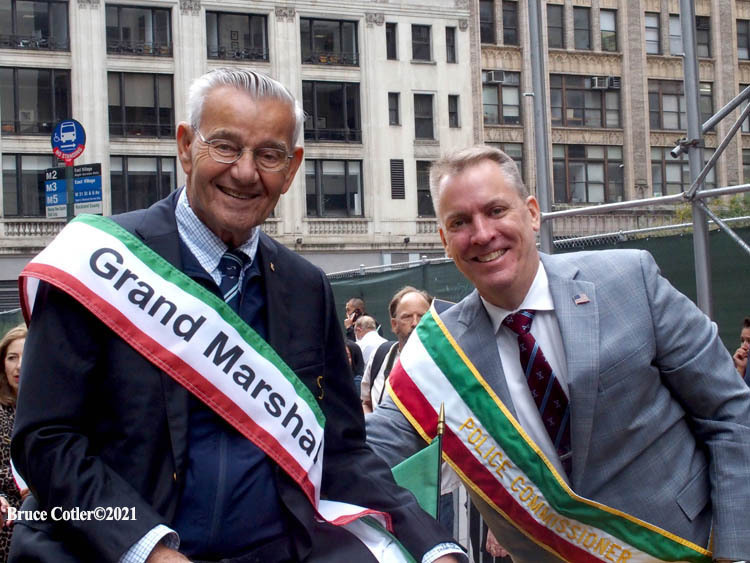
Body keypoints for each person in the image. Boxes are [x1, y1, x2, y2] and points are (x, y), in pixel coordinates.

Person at [11, 69, 464, 563]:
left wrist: (433, 546)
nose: (245, 172)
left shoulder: (306, 287)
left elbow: (340, 451)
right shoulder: (101, 265)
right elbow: (44, 443)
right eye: (225, 146)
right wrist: (147, 549)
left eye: (269, 155)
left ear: (291, 169)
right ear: (186, 147)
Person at [367, 145, 750, 562]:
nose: (481, 234)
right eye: (460, 222)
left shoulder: (630, 279)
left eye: (496, 211)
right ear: (444, 241)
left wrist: (736, 550)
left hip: (687, 549)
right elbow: (362, 454)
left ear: (532, 213)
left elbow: (729, 414)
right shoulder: (436, 357)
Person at [360, 287, 431, 414]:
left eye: (422, 316)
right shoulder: (380, 356)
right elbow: (366, 403)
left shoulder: (444, 365)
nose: (415, 323)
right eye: (407, 317)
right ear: (394, 325)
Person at [0, 326, 26, 562]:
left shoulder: (55, 409)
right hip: (9, 513)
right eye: (12, 358)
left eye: (26, 356)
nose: (18, 366)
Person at [733, 316, 750, 381]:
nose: (743, 346)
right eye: (742, 341)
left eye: (749, 341)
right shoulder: (743, 365)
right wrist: (740, 369)